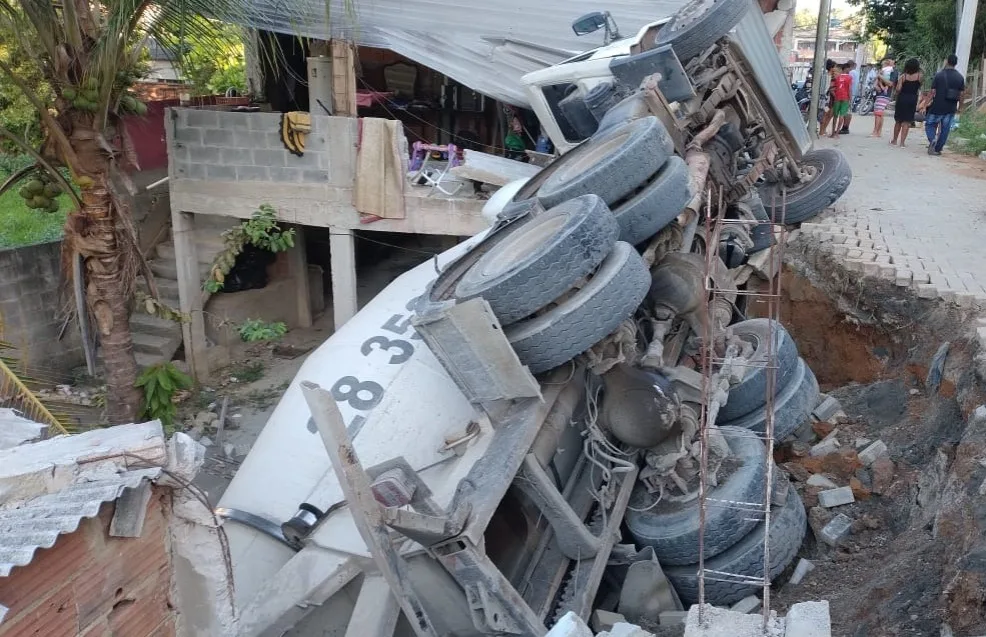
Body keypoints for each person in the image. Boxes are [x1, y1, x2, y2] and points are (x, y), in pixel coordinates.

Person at [926, 54, 966, 156]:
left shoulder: (939, 75)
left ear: (947, 61)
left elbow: (932, 91)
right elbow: (962, 94)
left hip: (937, 106)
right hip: (951, 107)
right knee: (945, 129)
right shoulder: (960, 77)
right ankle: (938, 149)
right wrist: (960, 107)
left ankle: (932, 139)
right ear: (956, 63)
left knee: (930, 124)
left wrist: (925, 103)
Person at [891, 58, 922, 147]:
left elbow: (898, 89)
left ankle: (894, 140)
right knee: (907, 121)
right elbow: (920, 87)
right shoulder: (920, 76)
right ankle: (902, 143)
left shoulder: (903, 76)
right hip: (912, 99)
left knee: (898, 120)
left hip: (902, 98)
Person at [870, 58, 895, 137]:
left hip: (883, 95)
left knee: (878, 113)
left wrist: (879, 76)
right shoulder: (885, 72)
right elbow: (876, 83)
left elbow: (889, 83)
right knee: (880, 114)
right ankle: (878, 131)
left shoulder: (890, 72)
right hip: (882, 93)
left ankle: (875, 132)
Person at [830, 64, 852, 138]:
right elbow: (849, 89)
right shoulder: (849, 77)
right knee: (842, 115)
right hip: (845, 98)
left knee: (835, 116)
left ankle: (833, 132)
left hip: (837, 98)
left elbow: (833, 89)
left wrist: (835, 95)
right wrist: (850, 98)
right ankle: (837, 133)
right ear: (846, 69)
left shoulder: (837, 77)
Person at [842, 61, 858, 133]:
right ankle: (846, 127)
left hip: (849, 93)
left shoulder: (851, 73)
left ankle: (845, 127)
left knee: (847, 111)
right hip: (853, 92)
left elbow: (849, 85)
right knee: (849, 111)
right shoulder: (857, 72)